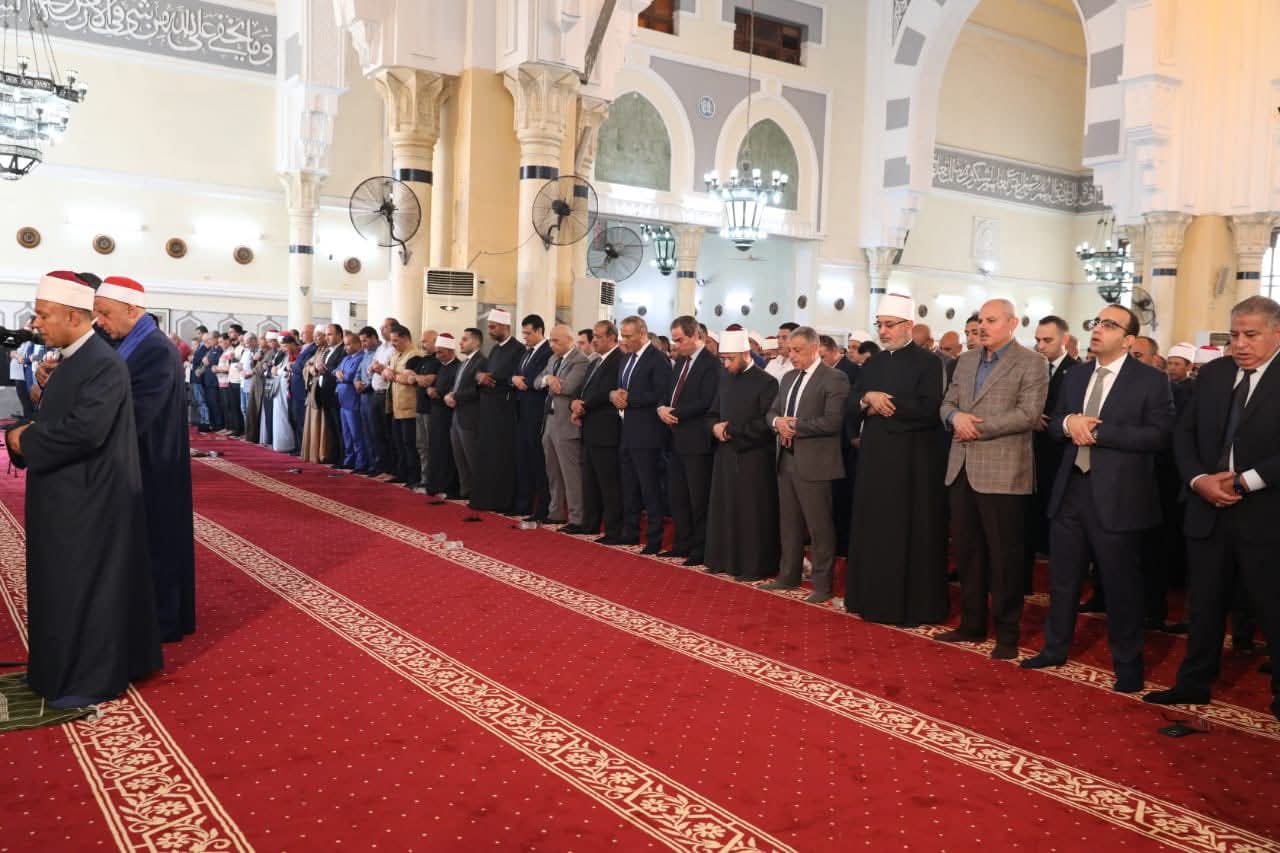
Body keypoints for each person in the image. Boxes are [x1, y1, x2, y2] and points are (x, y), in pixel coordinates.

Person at [6, 271, 162, 706]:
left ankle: (83, 679)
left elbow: (84, 432)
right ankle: (57, 670)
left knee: (79, 592)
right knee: (59, 589)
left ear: (74, 316)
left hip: (88, 501)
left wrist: (22, 441)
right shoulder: (75, 358)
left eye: (44, 315)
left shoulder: (102, 363)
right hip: (67, 494)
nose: (37, 323)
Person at [1021, 305, 1174, 691]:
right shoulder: (1076, 375)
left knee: (1121, 586)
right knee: (1063, 579)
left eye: (1109, 325)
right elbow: (1054, 423)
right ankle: (1054, 648)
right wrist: (1068, 423)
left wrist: (1101, 432)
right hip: (1071, 490)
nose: (1098, 329)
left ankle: (1128, 664)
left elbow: (1159, 435)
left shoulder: (1151, 380)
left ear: (1128, 339)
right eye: (1096, 322)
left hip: (1118, 496)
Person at [1145, 296, 1280, 720]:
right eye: (1235, 335)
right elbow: (1183, 434)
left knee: (1271, 606)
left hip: (1265, 512)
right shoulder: (1217, 373)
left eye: (1251, 335)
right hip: (1206, 508)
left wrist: (1245, 481)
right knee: (1203, 604)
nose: (1240, 344)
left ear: (1277, 333)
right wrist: (1198, 480)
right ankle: (1193, 683)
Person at [937, 298, 1048, 658]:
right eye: (981, 320)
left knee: (1005, 558)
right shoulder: (966, 360)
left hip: (1004, 472)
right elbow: (947, 403)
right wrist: (954, 418)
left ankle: (1007, 635)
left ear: (1012, 324)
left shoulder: (1032, 362)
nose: (983, 326)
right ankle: (971, 624)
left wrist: (975, 427)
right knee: (967, 553)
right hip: (962, 467)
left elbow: (1029, 414)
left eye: (991, 320)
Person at [92, 276, 195, 644]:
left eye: (105, 313)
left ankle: (163, 622)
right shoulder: (135, 343)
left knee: (159, 545)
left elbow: (137, 413)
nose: (100, 321)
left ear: (132, 309)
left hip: (154, 462)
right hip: (142, 458)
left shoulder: (154, 350)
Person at [845, 295, 948, 625]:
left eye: (890, 325)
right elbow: (851, 400)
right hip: (875, 459)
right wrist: (867, 398)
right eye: (880, 325)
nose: (883, 331)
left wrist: (884, 405)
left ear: (909, 326)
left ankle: (907, 605)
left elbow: (929, 408)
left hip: (911, 462)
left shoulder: (928, 362)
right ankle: (869, 598)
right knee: (874, 530)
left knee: (906, 531)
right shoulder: (874, 362)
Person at [761, 326, 850, 604]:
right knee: (789, 524)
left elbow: (833, 421)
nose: (792, 355)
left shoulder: (834, 378)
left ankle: (823, 585)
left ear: (815, 349)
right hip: (786, 459)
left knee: (819, 528)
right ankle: (788, 575)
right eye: (790, 350)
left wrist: (795, 426)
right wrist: (778, 422)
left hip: (816, 463)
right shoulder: (788, 377)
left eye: (797, 350)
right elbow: (772, 412)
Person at [704, 326, 781, 581]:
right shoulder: (725, 379)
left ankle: (753, 566)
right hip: (725, 456)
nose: (726, 364)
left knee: (751, 514)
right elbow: (712, 412)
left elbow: (766, 423)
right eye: (723, 359)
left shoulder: (767, 382)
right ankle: (724, 560)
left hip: (754, 458)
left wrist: (732, 431)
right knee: (725, 509)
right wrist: (714, 428)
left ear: (746, 354)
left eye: (730, 359)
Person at [659, 315, 719, 566]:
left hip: (697, 440)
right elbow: (669, 393)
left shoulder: (710, 364)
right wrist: (661, 408)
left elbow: (705, 401)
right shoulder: (680, 362)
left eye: (680, 340)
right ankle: (681, 543)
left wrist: (674, 413)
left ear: (696, 335)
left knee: (698, 498)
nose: (676, 345)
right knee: (678, 496)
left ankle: (700, 548)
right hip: (675, 438)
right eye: (674, 340)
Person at [1027, 315, 1079, 589]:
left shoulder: (1077, 371)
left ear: (1064, 340)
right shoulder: (1032, 367)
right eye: (1038, 340)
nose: (1041, 346)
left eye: (1048, 340)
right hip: (1030, 449)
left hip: (1060, 452)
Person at [613, 315, 671, 552]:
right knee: (629, 485)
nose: (624, 340)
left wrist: (630, 399)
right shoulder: (626, 358)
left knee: (650, 487)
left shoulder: (657, 359)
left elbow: (661, 394)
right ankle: (631, 532)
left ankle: (654, 539)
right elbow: (621, 389)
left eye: (628, 336)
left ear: (642, 333)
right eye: (622, 335)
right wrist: (615, 396)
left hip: (648, 433)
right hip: (627, 430)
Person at [574, 320, 624, 541]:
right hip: (590, 428)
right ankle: (590, 523)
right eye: (593, 335)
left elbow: (606, 391)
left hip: (606, 430)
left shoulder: (618, 360)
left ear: (612, 338)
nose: (594, 340)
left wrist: (583, 405)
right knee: (590, 481)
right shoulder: (596, 361)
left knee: (608, 483)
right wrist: (575, 403)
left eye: (598, 336)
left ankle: (613, 529)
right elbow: (583, 389)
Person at [470, 309, 524, 512]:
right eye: (489, 327)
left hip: (504, 410)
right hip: (488, 409)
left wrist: (492, 378)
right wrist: (480, 377)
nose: (490, 331)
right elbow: (486, 373)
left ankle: (501, 501)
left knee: (501, 457)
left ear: (505, 327)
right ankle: (486, 499)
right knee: (487, 455)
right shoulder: (494, 349)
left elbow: (512, 376)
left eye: (493, 327)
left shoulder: (517, 349)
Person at [537, 325, 590, 528]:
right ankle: (556, 511)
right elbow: (537, 381)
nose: (551, 345)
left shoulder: (580, 360)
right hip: (550, 421)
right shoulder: (553, 359)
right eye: (550, 340)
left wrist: (551, 382)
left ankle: (577, 517)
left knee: (571, 474)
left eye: (556, 341)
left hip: (567, 423)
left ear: (569, 340)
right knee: (552, 472)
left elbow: (568, 387)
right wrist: (548, 379)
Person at [820, 334, 860, 557]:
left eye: (823, 357)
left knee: (843, 497)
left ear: (835, 352)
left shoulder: (850, 371)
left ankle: (844, 545)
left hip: (845, 443)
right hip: (827, 442)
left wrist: (852, 435)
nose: (820, 361)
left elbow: (851, 408)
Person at [513, 315, 553, 520]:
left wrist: (523, 381)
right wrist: (513, 378)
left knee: (538, 462)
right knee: (524, 460)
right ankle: (524, 504)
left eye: (528, 333)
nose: (525, 337)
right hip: (522, 412)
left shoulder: (548, 351)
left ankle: (542, 507)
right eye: (524, 333)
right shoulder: (526, 352)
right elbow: (516, 374)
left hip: (537, 413)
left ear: (539, 331)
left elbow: (537, 378)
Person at [445, 328, 486, 499]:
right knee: (459, 457)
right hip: (457, 415)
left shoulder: (481, 362)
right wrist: (449, 394)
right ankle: (465, 491)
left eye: (465, 339)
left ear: (476, 342)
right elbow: (457, 386)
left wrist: (456, 396)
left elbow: (477, 389)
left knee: (472, 457)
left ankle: (479, 493)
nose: (460, 343)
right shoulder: (463, 363)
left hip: (470, 416)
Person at [422, 333, 460, 496]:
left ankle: (447, 486)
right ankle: (435, 484)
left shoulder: (458, 367)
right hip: (436, 413)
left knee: (446, 451)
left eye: (441, 352)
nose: (437, 356)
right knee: (435, 449)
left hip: (448, 416)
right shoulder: (441, 366)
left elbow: (454, 391)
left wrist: (439, 393)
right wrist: (430, 390)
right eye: (437, 352)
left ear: (450, 351)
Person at [385, 324, 422, 487]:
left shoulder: (414, 356)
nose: (392, 344)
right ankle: (401, 473)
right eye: (391, 341)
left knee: (410, 445)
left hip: (409, 408)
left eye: (395, 340)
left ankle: (413, 476)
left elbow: (408, 379)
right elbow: (389, 374)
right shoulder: (396, 355)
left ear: (406, 338)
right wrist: (386, 372)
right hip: (396, 407)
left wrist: (389, 374)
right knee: (398, 443)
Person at [335, 331, 368, 474]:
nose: (345, 347)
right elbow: (335, 371)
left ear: (357, 344)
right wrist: (339, 374)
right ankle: (349, 460)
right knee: (346, 434)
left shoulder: (361, 357)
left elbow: (350, 376)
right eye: (345, 345)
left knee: (356, 433)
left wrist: (341, 375)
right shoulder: (346, 358)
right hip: (343, 400)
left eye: (348, 345)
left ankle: (360, 462)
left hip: (352, 400)